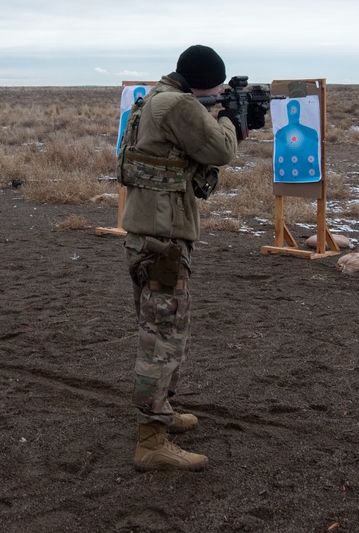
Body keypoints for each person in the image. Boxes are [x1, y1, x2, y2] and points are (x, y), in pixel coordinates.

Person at [117, 45, 264, 471]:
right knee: (162, 340)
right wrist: (229, 120)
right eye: (217, 87)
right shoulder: (179, 106)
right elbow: (220, 150)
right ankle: (151, 441)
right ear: (205, 82)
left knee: (163, 332)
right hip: (162, 240)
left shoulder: (156, 99)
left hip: (149, 234)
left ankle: (162, 411)